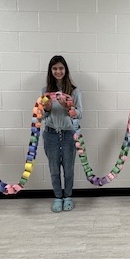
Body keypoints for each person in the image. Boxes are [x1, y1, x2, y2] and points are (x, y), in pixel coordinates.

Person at [41, 55, 83, 212]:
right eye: (55, 68)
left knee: (69, 168)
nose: (58, 71)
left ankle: (68, 197)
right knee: (53, 169)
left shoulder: (74, 91)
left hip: (68, 134)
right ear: (51, 71)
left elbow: (80, 114)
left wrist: (67, 108)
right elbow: (43, 117)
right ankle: (58, 197)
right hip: (51, 134)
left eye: (61, 68)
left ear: (65, 70)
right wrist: (47, 108)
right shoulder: (45, 92)